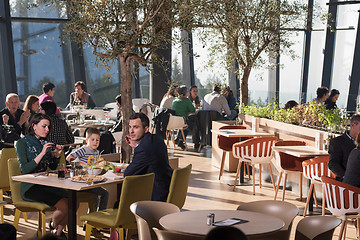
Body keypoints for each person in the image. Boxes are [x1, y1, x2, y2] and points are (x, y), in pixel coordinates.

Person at [15, 113, 70, 237]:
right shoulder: (21, 143)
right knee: (65, 205)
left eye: (48, 127)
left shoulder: (44, 142)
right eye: (44, 126)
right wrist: (41, 153)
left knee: (74, 201)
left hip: (45, 183)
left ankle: (57, 232)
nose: (47, 130)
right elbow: (25, 169)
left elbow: (52, 167)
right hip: (30, 187)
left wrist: (56, 155)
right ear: (34, 126)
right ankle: (53, 228)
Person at [124, 112, 172, 201]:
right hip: (166, 190)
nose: (131, 131)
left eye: (136, 127)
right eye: (130, 127)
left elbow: (128, 174)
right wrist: (136, 146)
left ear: (146, 129)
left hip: (154, 197)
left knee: (119, 199)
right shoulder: (157, 139)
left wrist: (138, 148)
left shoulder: (144, 148)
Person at [66, 128, 109, 211]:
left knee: (95, 198)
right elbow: (69, 158)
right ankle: (99, 216)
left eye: (97, 140)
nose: (95, 142)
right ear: (86, 140)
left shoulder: (96, 152)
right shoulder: (84, 150)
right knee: (105, 193)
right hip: (82, 181)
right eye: (92, 140)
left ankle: (91, 220)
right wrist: (81, 164)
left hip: (92, 180)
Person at [328, 113, 360, 180]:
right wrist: (346, 177)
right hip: (347, 183)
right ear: (353, 125)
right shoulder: (337, 142)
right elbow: (333, 163)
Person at [171, 85, 196, 150]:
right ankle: (197, 143)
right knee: (195, 126)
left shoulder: (175, 100)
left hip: (173, 123)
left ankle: (180, 140)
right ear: (185, 92)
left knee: (186, 124)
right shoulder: (186, 100)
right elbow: (193, 110)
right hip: (182, 123)